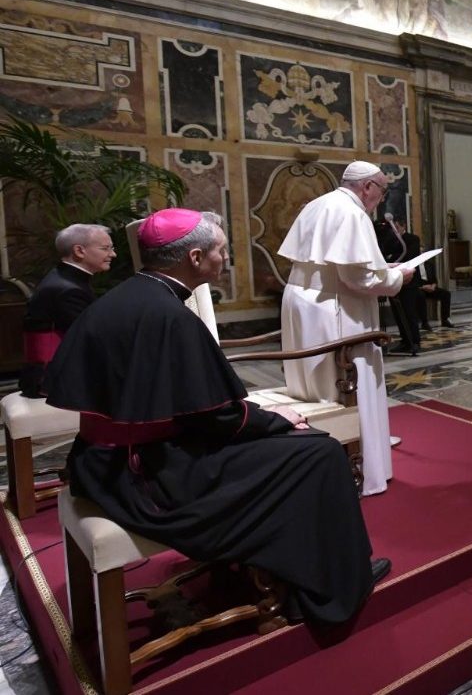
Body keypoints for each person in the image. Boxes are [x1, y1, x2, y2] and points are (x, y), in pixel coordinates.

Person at [48, 209, 388, 625]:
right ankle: (333, 585)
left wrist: (260, 418)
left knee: (295, 447)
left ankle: (282, 569)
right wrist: (278, 418)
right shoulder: (171, 317)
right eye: (221, 251)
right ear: (194, 258)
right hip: (148, 476)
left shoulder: (123, 297)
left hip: (102, 461)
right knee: (319, 451)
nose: (226, 259)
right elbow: (217, 418)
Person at [278, 162, 412, 495]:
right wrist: (397, 278)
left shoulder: (319, 204)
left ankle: (319, 458)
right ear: (367, 187)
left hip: (304, 303)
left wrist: (382, 267)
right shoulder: (352, 213)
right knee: (346, 382)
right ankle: (356, 460)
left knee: (313, 382)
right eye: (382, 190)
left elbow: (344, 263)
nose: (381, 199)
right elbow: (357, 279)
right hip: (333, 307)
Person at [20, 224, 115, 397]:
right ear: (79, 251)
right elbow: (94, 340)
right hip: (50, 380)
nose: (113, 254)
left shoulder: (65, 279)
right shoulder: (67, 290)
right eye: (105, 248)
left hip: (54, 373)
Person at [389, 217, 427, 355]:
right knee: (398, 314)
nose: (395, 230)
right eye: (393, 228)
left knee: (409, 313)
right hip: (394, 281)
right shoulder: (391, 240)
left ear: (403, 226)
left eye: (397, 227)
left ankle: (414, 341)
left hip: (409, 283)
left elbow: (408, 257)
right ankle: (405, 341)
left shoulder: (412, 239)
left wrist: (393, 257)